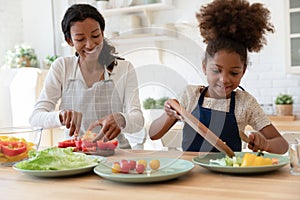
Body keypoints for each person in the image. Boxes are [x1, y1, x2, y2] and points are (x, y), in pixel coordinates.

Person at [149, 0, 288, 154]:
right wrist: (168, 115)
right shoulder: (190, 96)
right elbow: (154, 134)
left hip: (229, 175)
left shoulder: (246, 104)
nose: (224, 79)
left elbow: (282, 145)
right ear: (204, 67)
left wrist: (266, 144)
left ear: (243, 71)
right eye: (216, 70)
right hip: (191, 174)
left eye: (234, 73)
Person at [29, 4, 144, 148]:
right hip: (76, 157)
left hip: (116, 154)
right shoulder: (62, 67)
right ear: (70, 41)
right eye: (80, 39)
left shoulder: (123, 68)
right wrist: (61, 116)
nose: (90, 45)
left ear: (102, 33)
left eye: (95, 35)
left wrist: (121, 118)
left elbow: (138, 120)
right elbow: (35, 118)